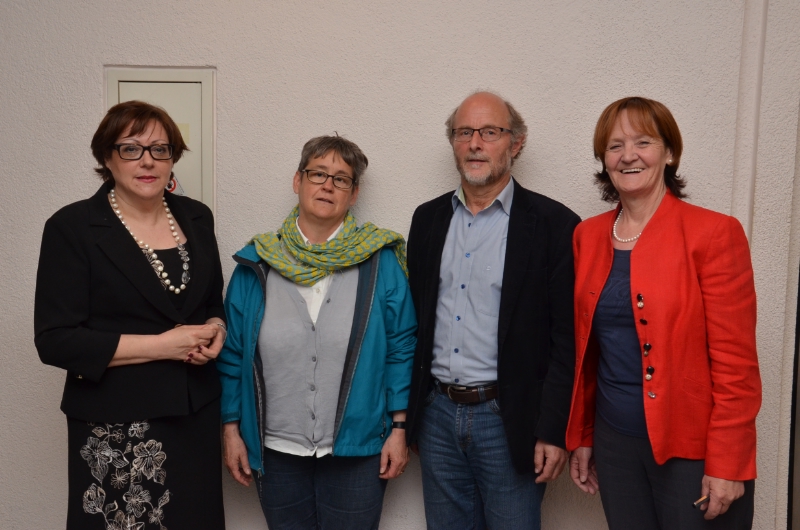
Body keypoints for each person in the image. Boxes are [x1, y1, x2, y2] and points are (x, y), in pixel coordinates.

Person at [566, 96, 761, 529]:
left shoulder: (714, 233)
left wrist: (728, 462)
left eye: (643, 142)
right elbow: (588, 353)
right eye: (615, 146)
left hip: (693, 451)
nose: (628, 155)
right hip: (614, 445)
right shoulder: (587, 236)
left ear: (669, 152)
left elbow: (737, 366)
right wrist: (583, 435)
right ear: (603, 159)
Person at [34, 100, 227, 529]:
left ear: (172, 157)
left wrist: (216, 328)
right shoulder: (72, 227)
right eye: (131, 148)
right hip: (116, 423)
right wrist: (164, 346)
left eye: (160, 149)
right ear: (107, 157)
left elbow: (211, 301)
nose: (147, 160)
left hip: (195, 414)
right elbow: (55, 340)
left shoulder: (197, 217)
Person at [218, 135, 417, 530]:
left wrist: (399, 429)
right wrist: (231, 430)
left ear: (353, 194)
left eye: (341, 179)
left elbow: (401, 347)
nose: (328, 185)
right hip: (275, 450)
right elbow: (233, 354)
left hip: (359, 449)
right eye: (318, 174)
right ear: (298, 181)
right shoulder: (256, 262)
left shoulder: (380, 261)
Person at [404, 91, 580, 529]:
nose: (475, 143)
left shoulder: (555, 224)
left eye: (490, 132)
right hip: (437, 416)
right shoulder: (427, 220)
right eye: (464, 132)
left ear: (515, 143)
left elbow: (567, 340)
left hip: (510, 419)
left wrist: (553, 429)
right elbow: (416, 324)